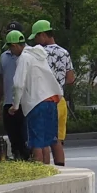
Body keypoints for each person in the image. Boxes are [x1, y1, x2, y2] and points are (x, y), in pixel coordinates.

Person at [12, 32, 63, 165]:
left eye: (10, 48)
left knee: (36, 143)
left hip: (36, 103)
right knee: (48, 141)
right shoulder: (40, 56)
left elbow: (18, 84)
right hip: (51, 100)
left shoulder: (24, 58)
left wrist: (15, 105)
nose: (10, 52)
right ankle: (52, 171)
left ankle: (39, 174)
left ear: (15, 45)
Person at [31, 20, 73, 163]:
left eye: (36, 37)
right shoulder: (64, 52)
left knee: (43, 141)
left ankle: (48, 174)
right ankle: (61, 170)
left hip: (44, 100)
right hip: (60, 100)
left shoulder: (38, 53)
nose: (36, 41)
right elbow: (70, 78)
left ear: (43, 35)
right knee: (57, 141)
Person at [0, 30, 28, 161]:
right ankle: (17, 158)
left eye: (11, 46)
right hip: (9, 103)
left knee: (25, 137)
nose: (10, 49)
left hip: (26, 103)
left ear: (15, 45)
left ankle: (28, 159)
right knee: (13, 136)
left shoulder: (29, 56)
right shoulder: (4, 57)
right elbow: (1, 80)